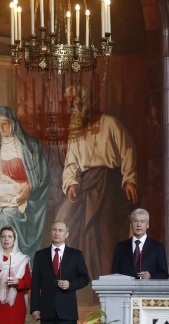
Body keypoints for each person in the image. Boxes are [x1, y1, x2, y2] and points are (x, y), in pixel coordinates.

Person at [56, 84, 138, 281]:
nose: (74, 106)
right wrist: (72, 183)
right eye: (71, 103)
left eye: (77, 101)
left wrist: (129, 179)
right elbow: (71, 163)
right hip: (85, 187)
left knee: (107, 236)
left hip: (109, 185)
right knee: (64, 219)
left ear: (88, 102)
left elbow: (128, 151)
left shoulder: (111, 123)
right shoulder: (75, 131)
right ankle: (83, 284)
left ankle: (109, 284)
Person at [0, 106, 50, 262]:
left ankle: (4, 259)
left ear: (13, 123)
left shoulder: (29, 145)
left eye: (5, 123)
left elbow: (43, 174)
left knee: (7, 214)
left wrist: (29, 185)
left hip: (21, 192)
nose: (2, 127)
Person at [111, 209, 168, 280]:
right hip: (126, 290)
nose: (139, 225)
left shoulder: (158, 247)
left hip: (147, 289)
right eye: (135, 221)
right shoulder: (120, 247)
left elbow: (164, 274)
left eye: (142, 221)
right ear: (131, 224)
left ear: (147, 225)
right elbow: (114, 273)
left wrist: (150, 276)